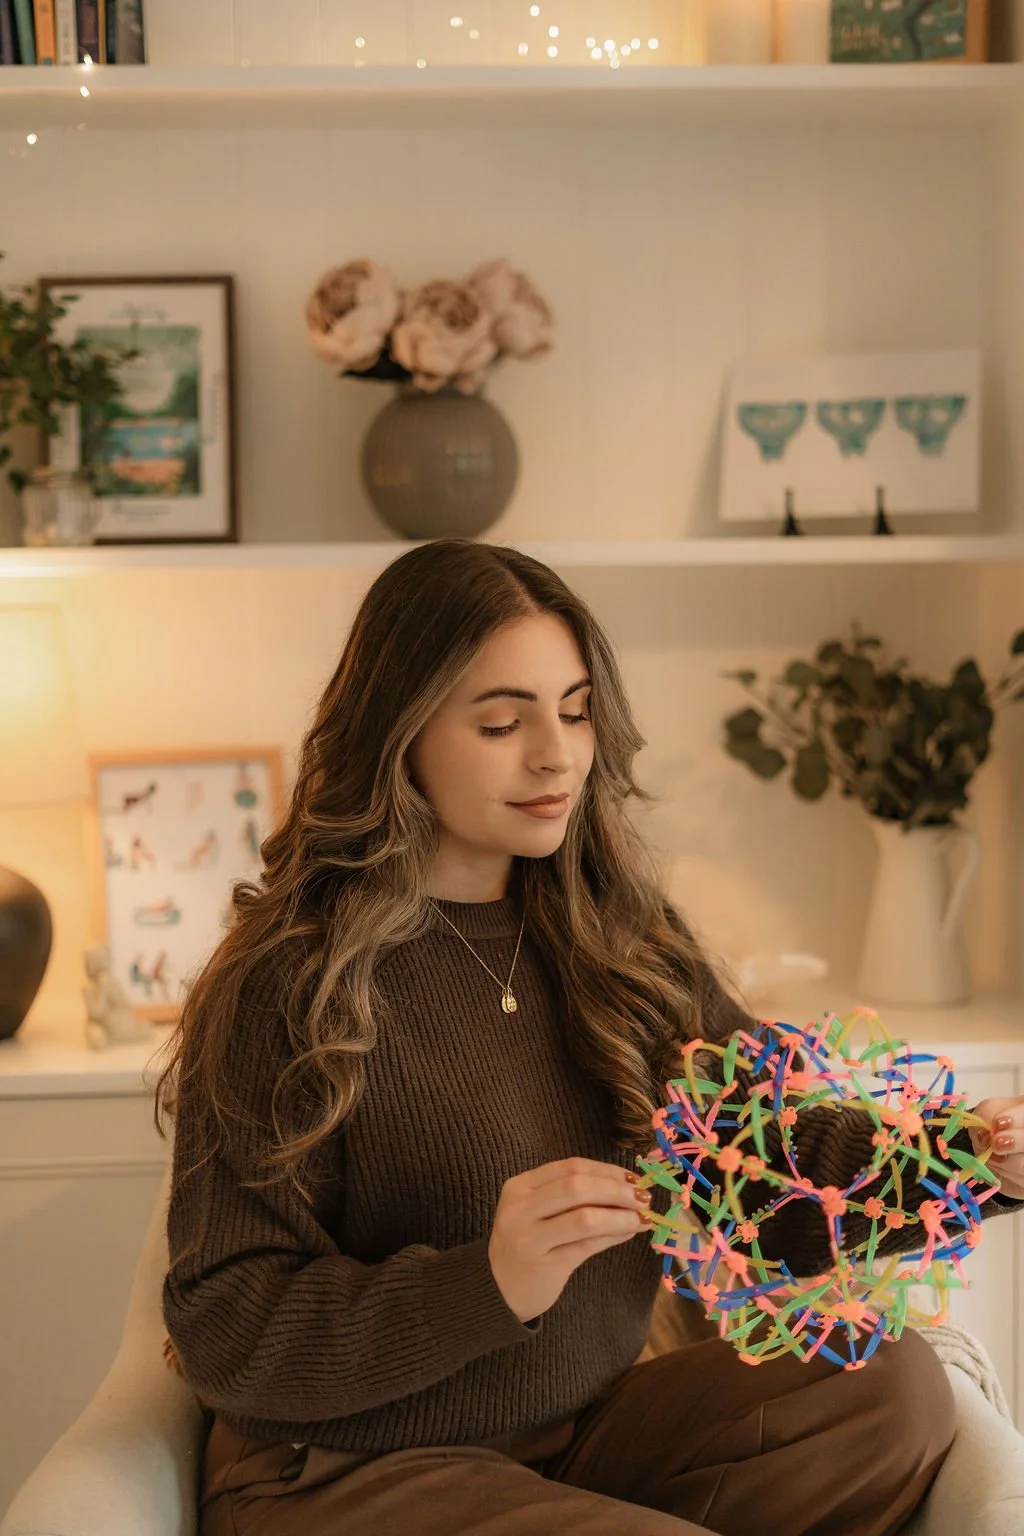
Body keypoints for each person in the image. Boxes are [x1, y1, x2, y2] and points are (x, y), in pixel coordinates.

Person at [156, 539, 1024, 1536]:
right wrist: (482, 1283)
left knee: (891, 1387)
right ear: (399, 732)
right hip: (345, 1470)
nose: (555, 755)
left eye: (573, 711)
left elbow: (773, 1165)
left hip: (574, 1439)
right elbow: (226, 1322)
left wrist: (964, 1164)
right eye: (500, 721)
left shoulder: (617, 937)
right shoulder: (285, 983)